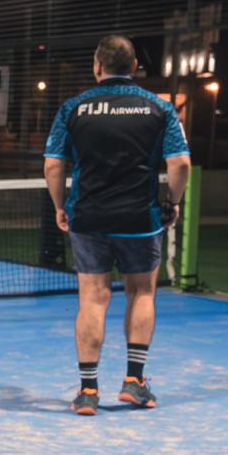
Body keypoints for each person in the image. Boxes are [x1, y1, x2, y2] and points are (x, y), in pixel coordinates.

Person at [43, 36, 190, 414]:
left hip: (88, 219)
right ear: (135, 67)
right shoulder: (160, 108)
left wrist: (60, 206)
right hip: (140, 220)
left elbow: (53, 165)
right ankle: (134, 382)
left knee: (93, 298)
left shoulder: (73, 107)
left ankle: (88, 391)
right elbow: (180, 163)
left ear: (97, 66)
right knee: (142, 293)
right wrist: (173, 202)